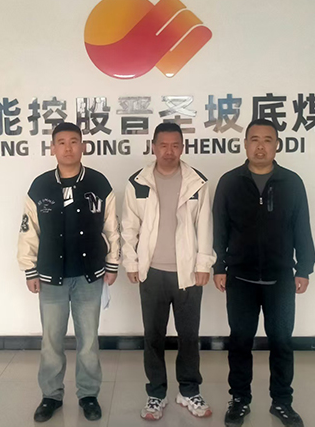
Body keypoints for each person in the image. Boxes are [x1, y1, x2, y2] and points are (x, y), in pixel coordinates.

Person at [212, 118, 315, 427]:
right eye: (254, 139)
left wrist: (304, 267)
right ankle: (239, 399)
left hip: (280, 277)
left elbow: (302, 227)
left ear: (277, 145)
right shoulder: (230, 182)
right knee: (240, 341)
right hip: (240, 277)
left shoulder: (292, 182)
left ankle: (282, 402)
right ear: (245, 144)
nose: (260, 146)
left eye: (267, 140)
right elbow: (219, 228)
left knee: (281, 341)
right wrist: (219, 266)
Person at [17, 122, 120, 422]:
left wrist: (112, 263)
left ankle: (88, 394)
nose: (68, 148)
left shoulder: (99, 184)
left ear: (83, 146)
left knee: (88, 341)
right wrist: (29, 269)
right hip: (51, 277)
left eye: (74, 141)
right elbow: (28, 231)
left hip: (89, 275)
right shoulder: (40, 187)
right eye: (61, 142)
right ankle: (51, 395)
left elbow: (111, 227)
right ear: (52, 148)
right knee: (51, 341)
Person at [121, 122, 216, 421]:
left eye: (175, 145)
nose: (169, 151)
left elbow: (205, 226)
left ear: (182, 147)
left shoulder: (197, 182)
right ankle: (156, 394)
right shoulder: (138, 182)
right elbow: (129, 227)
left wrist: (203, 264)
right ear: (153, 147)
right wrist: (131, 262)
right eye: (163, 145)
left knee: (189, 336)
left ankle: (189, 391)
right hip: (152, 272)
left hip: (187, 273)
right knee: (153, 336)